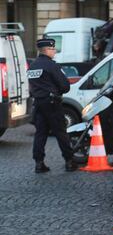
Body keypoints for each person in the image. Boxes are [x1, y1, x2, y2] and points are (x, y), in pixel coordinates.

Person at [27, 38, 78, 173]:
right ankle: (69, 161)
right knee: (61, 132)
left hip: (38, 103)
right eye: (53, 49)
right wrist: (56, 90)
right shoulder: (52, 66)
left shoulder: (32, 66)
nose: (55, 51)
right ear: (48, 50)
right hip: (52, 103)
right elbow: (65, 86)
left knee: (40, 134)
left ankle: (39, 163)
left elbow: (31, 87)